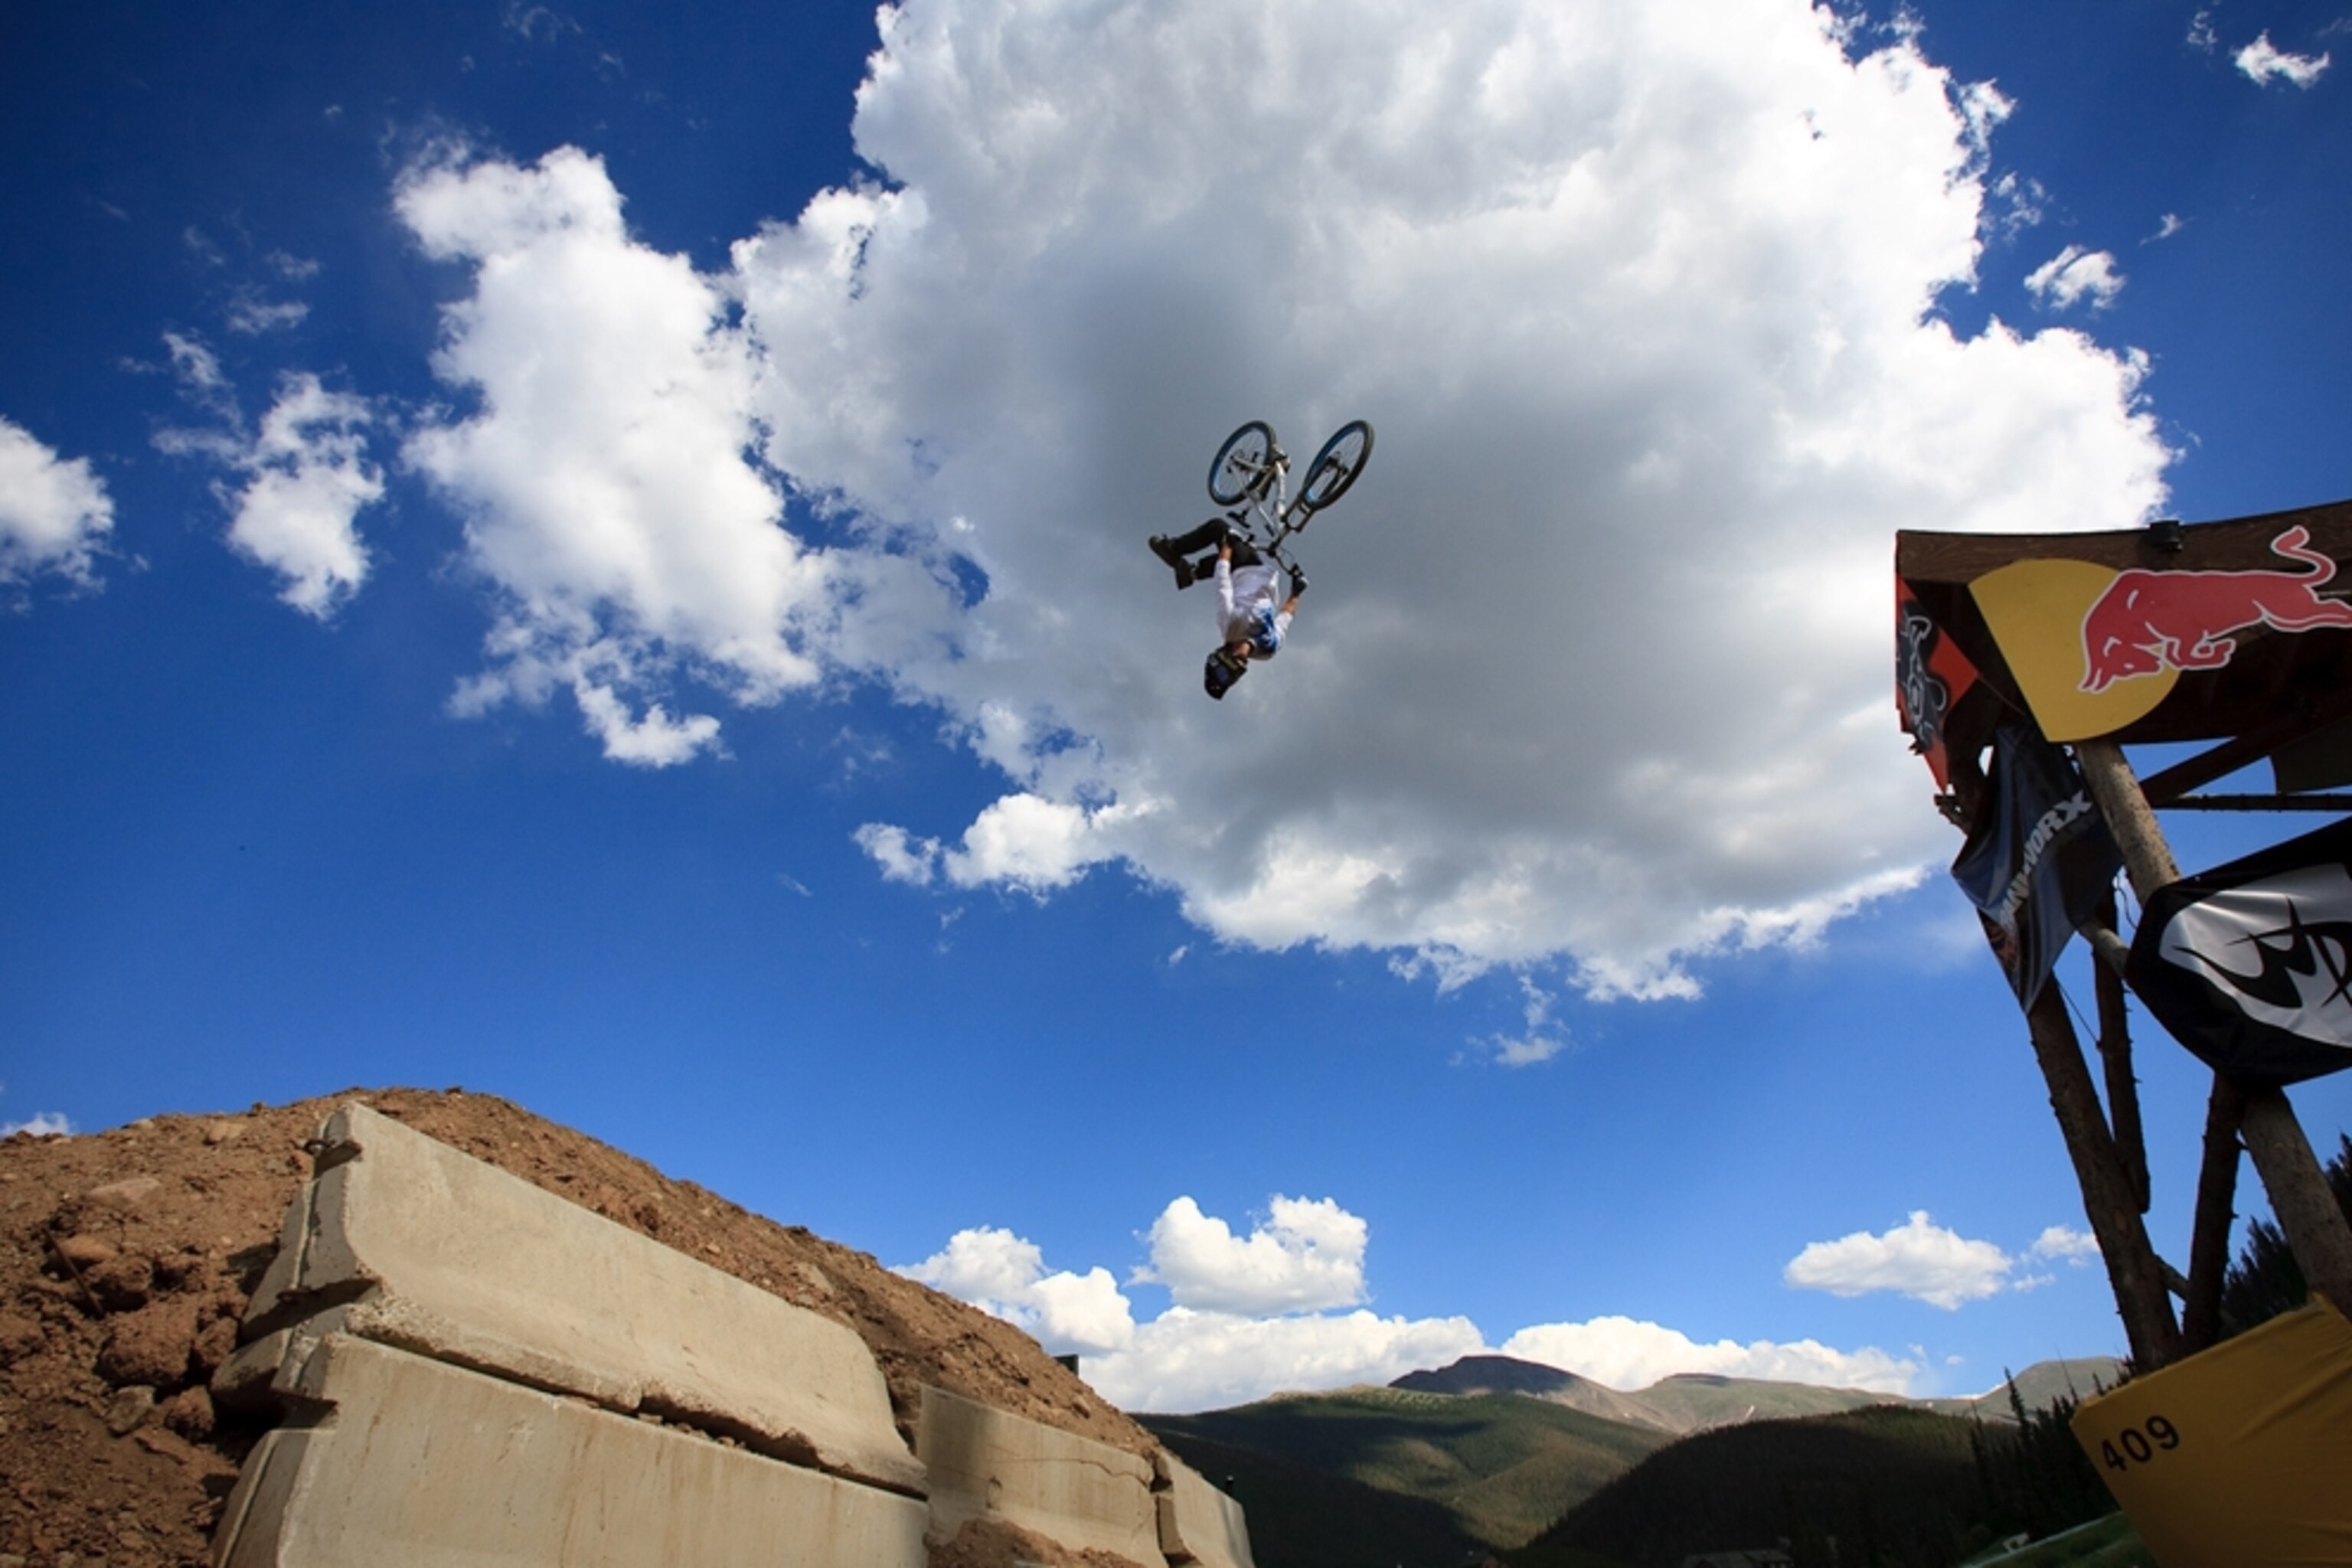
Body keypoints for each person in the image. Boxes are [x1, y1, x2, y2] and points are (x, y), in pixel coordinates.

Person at [1148, 521, 1307, 699]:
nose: (1235, 673)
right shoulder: (1267, 650)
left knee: (1218, 528)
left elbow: (1222, 581)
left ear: (1224, 657)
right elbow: (1285, 618)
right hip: (1262, 574)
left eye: (1226, 674)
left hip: (1245, 569)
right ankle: (1191, 573)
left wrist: (1228, 542)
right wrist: (1296, 592)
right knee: (1229, 551)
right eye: (1231, 679)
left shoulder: (1230, 625)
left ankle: (1173, 549)